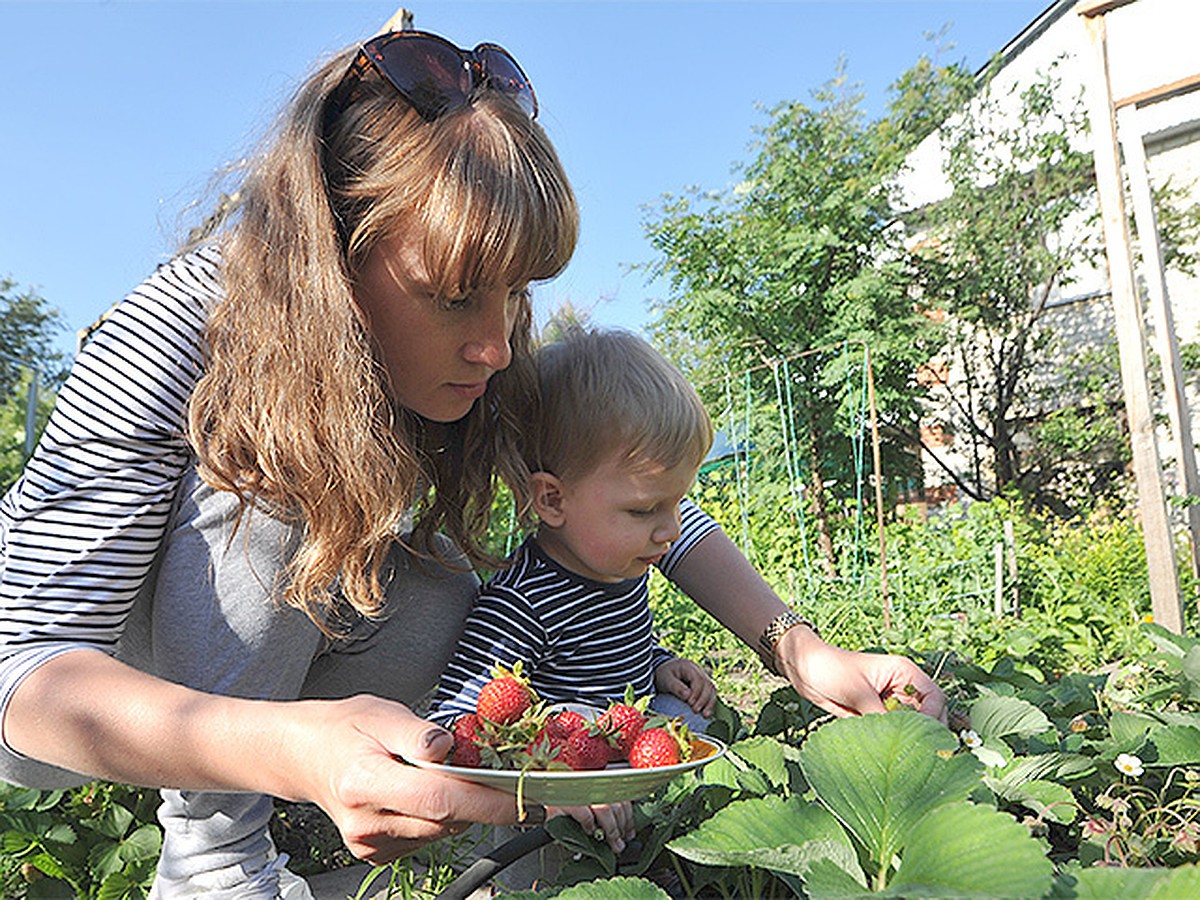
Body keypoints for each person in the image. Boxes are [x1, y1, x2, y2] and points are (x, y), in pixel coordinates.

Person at [0, 24, 945, 900]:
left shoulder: (481, 356)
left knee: (474, 580)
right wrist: (291, 749)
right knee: (277, 470)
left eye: (515, 293)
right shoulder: (172, 334)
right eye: (454, 296)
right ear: (335, 254)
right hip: (93, 690)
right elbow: (22, 672)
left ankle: (369, 843)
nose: (496, 346)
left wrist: (801, 648)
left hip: (291, 653)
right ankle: (214, 860)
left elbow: (625, 493)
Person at [428, 327, 719, 736]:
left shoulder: (620, 567)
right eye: (644, 510)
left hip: (619, 744)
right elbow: (455, 718)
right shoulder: (520, 604)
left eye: (676, 503)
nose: (670, 529)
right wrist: (557, 735)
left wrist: (659, 664)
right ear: (552, 500)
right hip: (559, 773)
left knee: (690, 714)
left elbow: (619, 656)